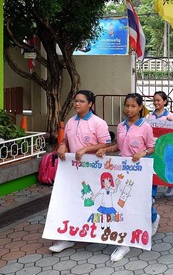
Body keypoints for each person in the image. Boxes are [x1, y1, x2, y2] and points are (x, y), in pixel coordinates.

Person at [95, 93, 157, 262]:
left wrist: (143, 152)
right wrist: (106, 150)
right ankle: (124, 242)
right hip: (121, 171)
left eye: (133, 106)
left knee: (143, 203)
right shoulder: (121, 126)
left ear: (140, 108)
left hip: (139, 172)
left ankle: (154, 217)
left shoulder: (145, 127)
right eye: (127, 105)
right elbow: (118, 145)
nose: (129, 109)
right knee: (123, 204)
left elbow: (152, 147)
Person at [50, 90, 111, 253]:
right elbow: (66, 139)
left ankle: (96, 232)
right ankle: (67, 238)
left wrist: (86, 149)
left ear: (90, 104)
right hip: (73, 171)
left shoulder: (98, 123)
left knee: (93, 203)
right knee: (71, 202)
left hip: (93, 172)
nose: (77, 104)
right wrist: (63, 145)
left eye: (81, 101)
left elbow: (106, 144)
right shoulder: (71, 121)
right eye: (75, 101)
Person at [147, 92, 173, 196]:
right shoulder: (150, 116)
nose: (156, 102)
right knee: (154, 166)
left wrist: (171, 122)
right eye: (154, 100)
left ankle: (171, 185)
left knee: (166, 165)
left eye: (158, 100)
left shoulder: (170, 116)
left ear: (164, 101)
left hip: (166, 146)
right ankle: (153, 191)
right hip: (154, 147)